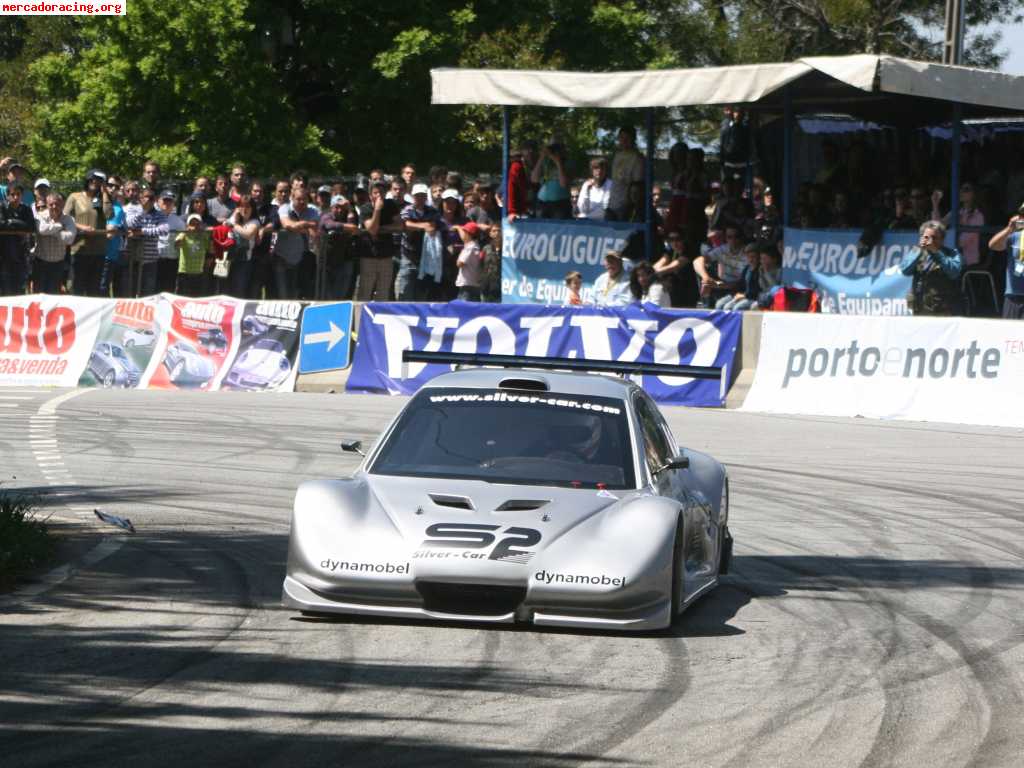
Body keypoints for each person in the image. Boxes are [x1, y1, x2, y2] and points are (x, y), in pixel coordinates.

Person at [64, 169, 112, 296]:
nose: (95, 182)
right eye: (92, 179)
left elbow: (108, 215)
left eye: (99, 181)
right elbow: (65, 218)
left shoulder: (103, 199)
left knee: (94, 289)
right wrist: (81, 227)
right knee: (77, 287)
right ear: (87, 180)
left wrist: (105, 194)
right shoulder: (74, 197)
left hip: (98, 250)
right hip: (79, 248)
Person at [899, 220, 963, 316]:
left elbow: (954, 272)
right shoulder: (917, 252)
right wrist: (920, 251)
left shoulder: (952, 254)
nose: (930, 241)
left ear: (942, 239)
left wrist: (935, 251)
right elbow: (905, 271)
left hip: (942, 309)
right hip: (920, 308)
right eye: (926, 237)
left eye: (934, 238)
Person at [356, 181, 400, 301]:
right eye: (376, 193)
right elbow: (372, 230)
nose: (379, 195)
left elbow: (399, 226)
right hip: (369, 255)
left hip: (386, 256)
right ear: (370, 195)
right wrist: (377, 210)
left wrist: (383, 228)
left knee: (384, 291)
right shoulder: (365, 208)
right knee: (365, 290)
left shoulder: (391, 205)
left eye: (381, 192)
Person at [272, 188, 319, 299]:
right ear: (292, 198)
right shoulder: (285, 208)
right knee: (282, 294)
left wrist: (298, 227)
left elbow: (315, 229)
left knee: (295, 294)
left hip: (300, 258)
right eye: (298, 199)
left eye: (304, 199)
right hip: (281, 257)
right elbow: (287, 225)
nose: (302, 202)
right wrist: (306, 225)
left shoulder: (312, 211)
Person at [398, 182, 441, 301]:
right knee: (406, 289)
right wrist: (423, 225)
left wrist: (421, 226)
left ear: (426, 197)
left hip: (426, 257)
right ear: (413, 196)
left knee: (422, 293)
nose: (420, 198)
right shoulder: (407, 209)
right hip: (409, 255)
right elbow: (405, 224)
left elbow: (434, 225)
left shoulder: (432, 211)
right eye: (417, 195)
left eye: (422, 195)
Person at [987, 203, 1024, 319]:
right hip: (1013, 295)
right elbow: (993, 245)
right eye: (1022, 214)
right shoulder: (1015, 236)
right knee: (1010, 335)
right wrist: (1009, 229)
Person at [33, 193, 75, 294]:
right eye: (51, 204)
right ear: (47, 205)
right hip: (40, 263)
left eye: (57, 204)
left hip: (58, 264)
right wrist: (59, 226)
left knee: (53, 295)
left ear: (63, 204)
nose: (54, 207)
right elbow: (42, 230)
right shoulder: (40, 216)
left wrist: (52, 231)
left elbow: (69, 239)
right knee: (38, 295)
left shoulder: (69, 219)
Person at [695, 226, 746, 307]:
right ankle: (706, 306)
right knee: (702, 270)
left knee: (722, 306)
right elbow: (697, 261)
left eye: (736, 236)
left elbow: (739, 283)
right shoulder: (723, 249)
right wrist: (705, 278)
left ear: (742, 237)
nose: (733, 240)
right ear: (726, 238)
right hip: (722, 284)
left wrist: (717, 285)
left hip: (738, 288)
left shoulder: (746, 254)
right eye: (729, 237)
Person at [0, 185, 38, 295]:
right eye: (12, 194)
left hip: (20, 254)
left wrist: (11, 222)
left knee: (19, 288)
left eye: (18, 194)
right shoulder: (2, 207)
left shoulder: (26, 209)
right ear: (7, 196)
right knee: (5, 287)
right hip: (4, 255)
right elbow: (1, 224)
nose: (16, 197)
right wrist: (18, 224)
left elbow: (31, 227)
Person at [319, 194, 359, 299]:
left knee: (341, 293)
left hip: (343, 260)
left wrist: (350, 210)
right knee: (328, 295)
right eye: (336, 207)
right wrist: (347, 227)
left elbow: (354, 228)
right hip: (327, 262)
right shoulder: (326, 215)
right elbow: (329, 225)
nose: (339, 210)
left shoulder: (348, 216)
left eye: (342, 207)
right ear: (331, 207)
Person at [654, 228, 698, 308]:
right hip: (673, 292)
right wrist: (652, 271)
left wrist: (653, 273)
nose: (674, 243)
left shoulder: (689, 252)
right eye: (671, 239)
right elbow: (659, 264)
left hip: (687, 293)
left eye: (678, 239)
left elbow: (672, 267)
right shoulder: (670, 251)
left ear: (683, 239)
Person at [228, 195, 261, 298]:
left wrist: (235, 225)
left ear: (253, 208)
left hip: (244, 261)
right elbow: (225, 225)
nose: (244, 209)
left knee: (239, 290)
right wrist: (235, 216)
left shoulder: (255, 222)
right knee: (228, 289)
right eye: (241, 206)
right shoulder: (235, 219)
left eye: (248, 207)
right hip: (229, 259)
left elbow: (248, 234)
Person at [608, 126, 644, 221]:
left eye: (627, 138)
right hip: (611, 204)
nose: (624, 141)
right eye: (621, 138)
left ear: (633, 139)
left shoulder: (637, 158)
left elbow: (637, 184)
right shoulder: (617, 155)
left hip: (625, 205)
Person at [532, 141, 571, 219]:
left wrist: (558, 163)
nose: (553, 153)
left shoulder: (568, 163)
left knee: (559, 229)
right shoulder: (545, 163)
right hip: (542, 203)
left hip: (560, 204)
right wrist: (541, 157)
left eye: (557, 150)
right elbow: (534, 179)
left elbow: (563, 184)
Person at [716, 244, 760, 311]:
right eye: (749, 257)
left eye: (753, 257)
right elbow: (740, 284)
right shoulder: (747, 269)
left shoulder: (760, 270)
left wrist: (744, 295)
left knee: (732, 307)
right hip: (741, 294)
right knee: (719, 304)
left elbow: (758, 289)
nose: (751, 259)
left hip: (752, 297)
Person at [175, 214, 211, 297]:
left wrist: (205, 233)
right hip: (184, 272)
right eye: (192, 224)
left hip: (198, 272)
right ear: (188, 225)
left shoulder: (204, 236)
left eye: (197, 224)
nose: (195, 226)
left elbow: (210, 249)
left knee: (196, 297)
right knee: (182, 297)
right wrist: (185, 232)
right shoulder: (183, 234)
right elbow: (177, 245)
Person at [479, 223, 502, 303]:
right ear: (490, 234)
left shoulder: (506, 250)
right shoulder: (485, 248)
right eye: (494, 231)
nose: (497, 233)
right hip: (486, 287)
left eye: (499, 230)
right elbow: (480, 264)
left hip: (500, 289)